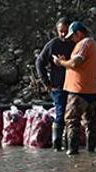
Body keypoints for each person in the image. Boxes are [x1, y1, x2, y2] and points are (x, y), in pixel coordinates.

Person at [54, 21, 96, 156]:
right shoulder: (92, 44)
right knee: (90, 123)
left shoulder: (84, 43)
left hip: (79, 91)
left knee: (72, 121)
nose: (71, 40)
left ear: (79, 33)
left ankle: (72, 152)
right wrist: (67, 62)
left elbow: (76, 62)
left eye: (72, 36)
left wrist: (61, 62)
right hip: (91, 90)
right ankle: (91, 150)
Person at [35, 17, 74, 151]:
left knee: (73, 116)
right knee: (60, 114)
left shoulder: (76, 44)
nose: (63, 34)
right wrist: (46, 82)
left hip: (74, 86)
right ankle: (57, 145)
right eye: (60, 31)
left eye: (65, 31)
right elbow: (39, 62)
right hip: (58, 86)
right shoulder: (53, 45)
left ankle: (71, 145)